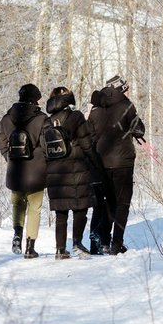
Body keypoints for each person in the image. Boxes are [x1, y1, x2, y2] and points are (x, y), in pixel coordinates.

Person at [87, 75, 144, 254]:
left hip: (101, 163)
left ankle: (104, 241)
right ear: (121, 89)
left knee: (108, 202)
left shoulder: (95, 110)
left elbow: (88, 135)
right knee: (122, 203)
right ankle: (116, 243)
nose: (128, 91)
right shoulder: (126, 106)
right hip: (123, 162)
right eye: (126, 89)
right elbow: (139, 129)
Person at [0, 83, 50, 259]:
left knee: (18, 204)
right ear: (35, 99)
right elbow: (46, 144)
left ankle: (17, 234)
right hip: (36, 170)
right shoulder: (42, 119)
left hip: (15, 170)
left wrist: (9, 157)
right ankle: (30, 247)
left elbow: (1, 142)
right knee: (34, 208)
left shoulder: (6, 119)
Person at [45, 86, 96, 260]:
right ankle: (77, 243)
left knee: (61, 212)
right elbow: (87, 144)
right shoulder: (76, 117)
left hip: (54, 172)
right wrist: (96, 163)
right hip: (76, 169)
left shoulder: (47, 121)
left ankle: (60, 249)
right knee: (80, 208)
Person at [86, 89, 116, 254]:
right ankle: (103, 240)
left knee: (98, 206)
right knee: (106, 206)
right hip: (104, 168)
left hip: (92, 169)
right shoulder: (105, 117)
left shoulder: (89, 118)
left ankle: (95, 243)